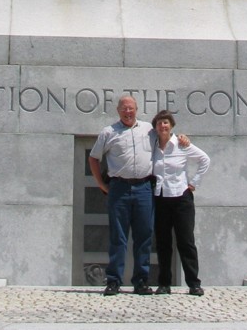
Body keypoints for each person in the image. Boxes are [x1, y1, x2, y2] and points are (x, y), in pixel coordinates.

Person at [89, 95, 156, 296]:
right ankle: (114, 281)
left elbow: (166, 141)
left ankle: (141, 281)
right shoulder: (109, 132)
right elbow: (93, 158)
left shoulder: (148, 130)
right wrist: (101, 184)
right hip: (119, 189)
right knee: (118, 237)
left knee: (144, 236)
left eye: (131, 108)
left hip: (144, 188)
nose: (128, 112)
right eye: (124, 109)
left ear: (137, 109)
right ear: (118, 111)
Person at [151, 110, 210, 296]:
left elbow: (204, 160)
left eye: (166, 123)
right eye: (160, 123)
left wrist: (193, 183)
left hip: (181, 197)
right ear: (155, 127)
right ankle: (164, 284)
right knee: (163, 243)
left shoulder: (181, 144)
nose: (163, 126)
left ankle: (194, 283)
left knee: (186, 241)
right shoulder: (152, 145)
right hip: (160, 197)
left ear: (172, 126)